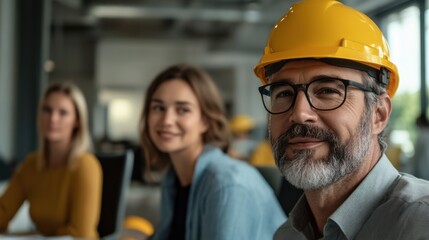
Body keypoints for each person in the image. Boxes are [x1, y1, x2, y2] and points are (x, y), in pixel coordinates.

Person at [253, 0, 429, 239]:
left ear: (379, 114)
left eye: (327, 91)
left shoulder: (421, 225)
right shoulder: (287, 235)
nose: (299, 113)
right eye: (283, 93)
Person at [139, 64, 285, 240]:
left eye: (183, 110)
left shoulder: (226, 185)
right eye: (158, 108)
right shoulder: (174, 179)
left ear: (205, 121)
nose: (167, 120)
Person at [0, 81, 102, 238]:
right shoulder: (32, 164)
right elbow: (3, 212)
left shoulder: (86, 166)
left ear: (77, 121)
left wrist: (37, 235)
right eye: (47, 110)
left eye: (63, 112)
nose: (53, 118)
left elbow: (81, 235)